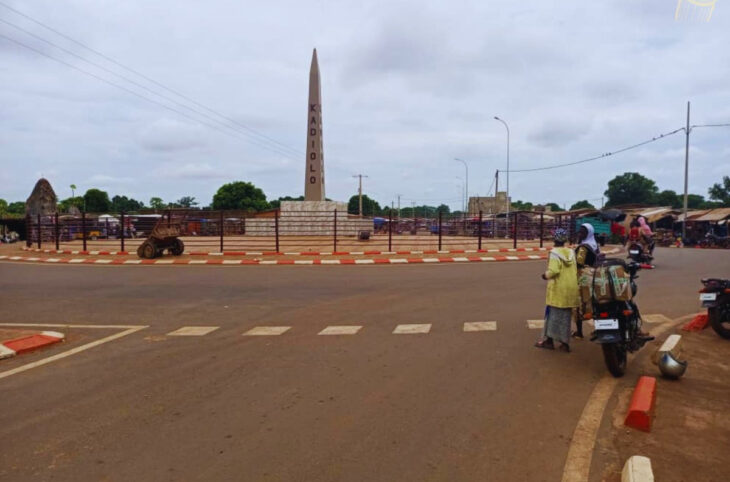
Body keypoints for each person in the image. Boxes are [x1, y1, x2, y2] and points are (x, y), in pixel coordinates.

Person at [535, 228, 579, 352]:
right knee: (565, 317)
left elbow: (554, 271)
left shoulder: (554, 253)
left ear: (555, 239)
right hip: (571, 287)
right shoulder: (571, 252)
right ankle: (564, 344)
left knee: (552, 315)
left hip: (559, 289)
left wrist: (545, 275)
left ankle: (549, 341)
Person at [573, 223, 600, 339]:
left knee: (579, 303)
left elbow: (579, 263)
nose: (580, 233)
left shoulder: (583, 247)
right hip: (595, 275)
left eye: (583, 231)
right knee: (596, 302)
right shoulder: (594, 245)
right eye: (580, 231)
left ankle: (579, 332)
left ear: (588, 233)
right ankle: (599, 329)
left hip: (583, 276)